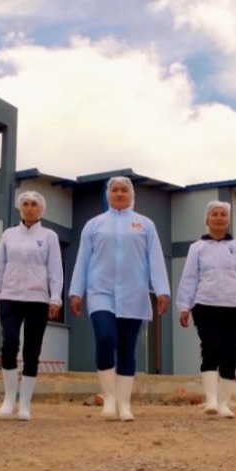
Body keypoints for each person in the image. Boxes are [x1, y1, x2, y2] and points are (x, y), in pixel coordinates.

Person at [69, 176, 170, 422]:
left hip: (134, 293)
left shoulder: (145, 225)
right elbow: (83, 259)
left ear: (132, 195)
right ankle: (110, 398)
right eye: (114, 189)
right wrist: (76, 291)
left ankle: (124, 404)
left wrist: (162, 290)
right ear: (107, 194)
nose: (119, 193)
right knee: (105, 338)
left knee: (126, 348)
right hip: (100, 291)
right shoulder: (94, 225)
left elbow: (155, 259)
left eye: (124, 190)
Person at [0, 190, 64, 421]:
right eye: (25, 204)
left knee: (31, 351)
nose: (29, 208)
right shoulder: (9, 235)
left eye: (34, 204)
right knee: (9, 345)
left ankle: (25, 404)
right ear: (20, 208)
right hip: (10, 297)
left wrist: (55, 298)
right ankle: (9, 399)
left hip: (38, 299)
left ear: (41, 209)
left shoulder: (49, 236)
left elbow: (56, 270)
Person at [176, 200, 236, 419]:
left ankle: (224, 404)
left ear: (228, 220)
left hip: (233, 307)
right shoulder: (197, 248)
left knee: (231, 354)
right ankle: (211, 400)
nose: (219, 217)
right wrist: (184, 306)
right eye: (215, 214)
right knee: (211, 347)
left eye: (223, 214)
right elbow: (189, 279)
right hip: (205, 306)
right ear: (207, 219)